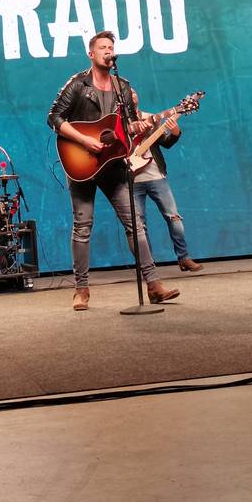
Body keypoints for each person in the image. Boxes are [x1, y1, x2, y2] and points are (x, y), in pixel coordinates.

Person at [47, 30, 179, 310]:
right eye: (102, 47)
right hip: (81, 162)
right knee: (83, 226)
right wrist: (85, 140)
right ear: (91, 54)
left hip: (113, 164)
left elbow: (129, 125)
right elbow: (54, 118)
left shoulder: (123, 87)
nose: (108, 51)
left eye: (111, 47)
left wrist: (143, 125)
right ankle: (81, 290)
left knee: (135, 225)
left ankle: (153, 285)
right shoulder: (78, 84)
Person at [131, 92, 203, 273]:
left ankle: (184, 257)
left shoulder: (151, 118)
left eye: (134, 92)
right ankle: (148, 265)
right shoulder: (116, 123)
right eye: (128, 92)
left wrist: (175, 131)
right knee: (139, 226)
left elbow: (166, 142)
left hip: (156, 177)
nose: (132, 94)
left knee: (174, 217)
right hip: (131, 180)